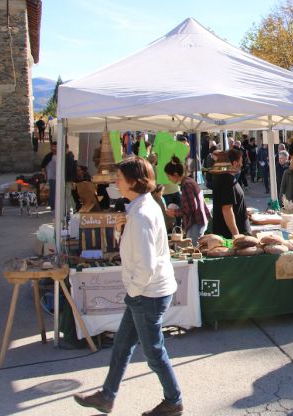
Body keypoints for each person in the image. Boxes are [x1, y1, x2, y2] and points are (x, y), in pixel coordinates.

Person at [73, 157, 184, 416]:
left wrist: (133, 292)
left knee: (153, 351)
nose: (116, 182)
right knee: (122, 346)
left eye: (120, 178)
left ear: (134, 182)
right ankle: (107, 396)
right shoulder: (139, 208)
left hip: (148, 293)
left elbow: (146, 265)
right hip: (144, 293)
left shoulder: (142, 213)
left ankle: (173, 401)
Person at [164, 157, 211, 243]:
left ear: (175, 174)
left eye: (168, 176)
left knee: (193, 249)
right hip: (197, 221)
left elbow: (191, 208)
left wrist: (175, 212)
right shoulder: (188, 181)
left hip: (196, 222)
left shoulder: (186, 184)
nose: (168, 179)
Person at [212, 148, 249, 239]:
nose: (242, 164)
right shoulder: (226, 180)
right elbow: (226, 209)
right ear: (234, 163)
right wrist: (236, 234)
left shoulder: (227, 177)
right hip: (228, 235)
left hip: (230, 233)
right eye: (241, 162)